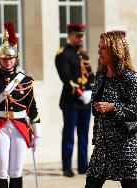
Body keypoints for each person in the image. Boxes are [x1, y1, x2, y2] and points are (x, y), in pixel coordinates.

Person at [0, 22, 41, 188]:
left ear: (15, 58)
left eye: (11, 58)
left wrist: (36, 134)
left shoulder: (25, 80)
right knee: (2, 171)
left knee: (16, 170)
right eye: (4, 58)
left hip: (19, 127)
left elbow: (32, 108)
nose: (8, 61)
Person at [85, 31, 137, 188]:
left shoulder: (128, 77)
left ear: (115, 50)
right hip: (102, 147)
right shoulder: (101, 76)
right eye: (99, 47)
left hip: (123, 146)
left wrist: (113, 107)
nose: (99, 52)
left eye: (104, 48)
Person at [55, 24, 95, 177]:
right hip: (71, 100)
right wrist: (80, 93)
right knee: (69, 134)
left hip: (85, 101)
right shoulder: (63, 54)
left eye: (81, 36)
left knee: (84, 134)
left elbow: (91, 76)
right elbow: (66, 78)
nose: (80, 38)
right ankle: (67, 167)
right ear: (70, 36)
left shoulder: (83, 55)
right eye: (77, 36)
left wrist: (91, 92)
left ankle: (83, 166)